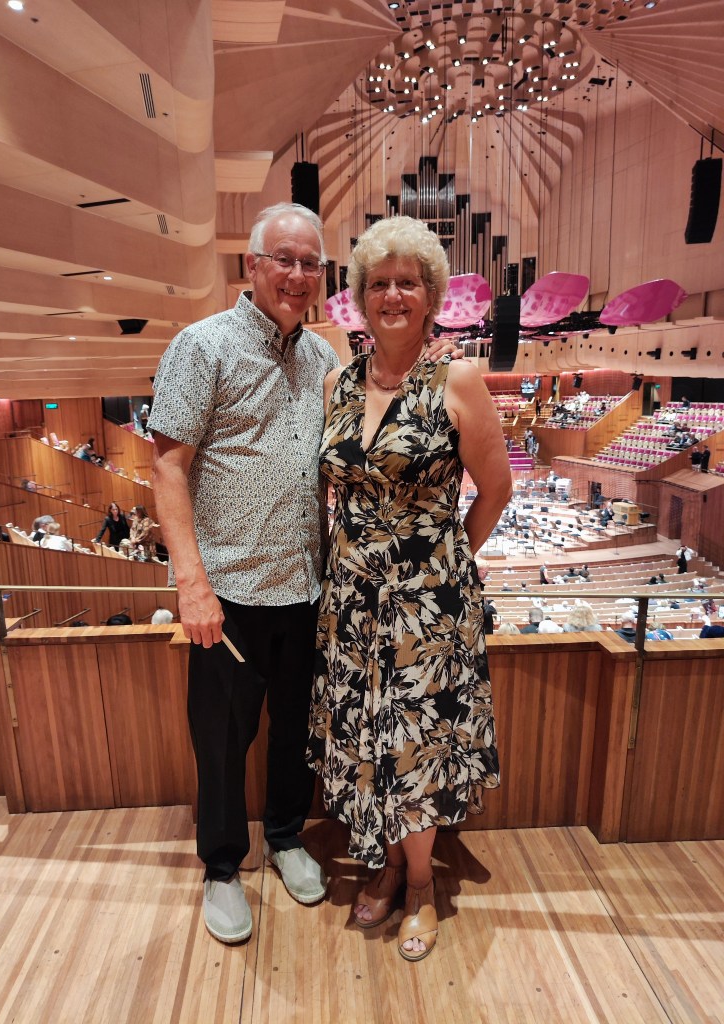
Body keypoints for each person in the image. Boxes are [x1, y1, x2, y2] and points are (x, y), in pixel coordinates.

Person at [150, 203, 463, 947]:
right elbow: (167, 467)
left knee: (298, 732)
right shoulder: (202, 346)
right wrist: (191, 584)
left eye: (309, 264)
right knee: (222, 741)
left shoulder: (326, 359)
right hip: (227, 594)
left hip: (311, 590)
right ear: (252, 265)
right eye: (283, 260)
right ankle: (222, 867)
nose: (296, 275)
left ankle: (287, 835)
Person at [306, 215, 511, 963]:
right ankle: (389, 865)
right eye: (379, 283)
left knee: (415, 744)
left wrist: (442, 565)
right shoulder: (336, 383)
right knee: (369, 739)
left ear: (431, 296)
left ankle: (420, 884)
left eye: (408, 282)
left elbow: (495, 490)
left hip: (429, 607)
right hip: (351, 604)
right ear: (360, 298)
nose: (392, 295)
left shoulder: (457, 380)